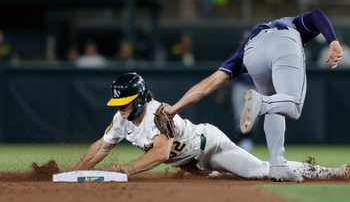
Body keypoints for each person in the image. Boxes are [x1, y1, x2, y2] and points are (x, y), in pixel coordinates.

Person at [163, 8, 344, 182]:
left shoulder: (242, 49)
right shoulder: (293, 23)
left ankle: (278, 165)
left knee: (277, 103)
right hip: (285, 38)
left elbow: (207, 85)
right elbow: (316, 14)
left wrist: (174, 109)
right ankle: (262, 103)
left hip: (252, 50)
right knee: (293, 105)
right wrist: (333, 41)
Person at [72, 72, 350, 181]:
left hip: (210, 146)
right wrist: (77, 171)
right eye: (119, 102)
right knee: (211, 177)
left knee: (262, 172)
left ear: (142, 99)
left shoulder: (158, 115)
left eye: (127, 101)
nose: (122, 106)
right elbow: (102, 145)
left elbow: (161, 153)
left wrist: (127, 169)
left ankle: (336, 172)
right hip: (193, 164)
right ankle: (216, 174)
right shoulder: (122, 119)